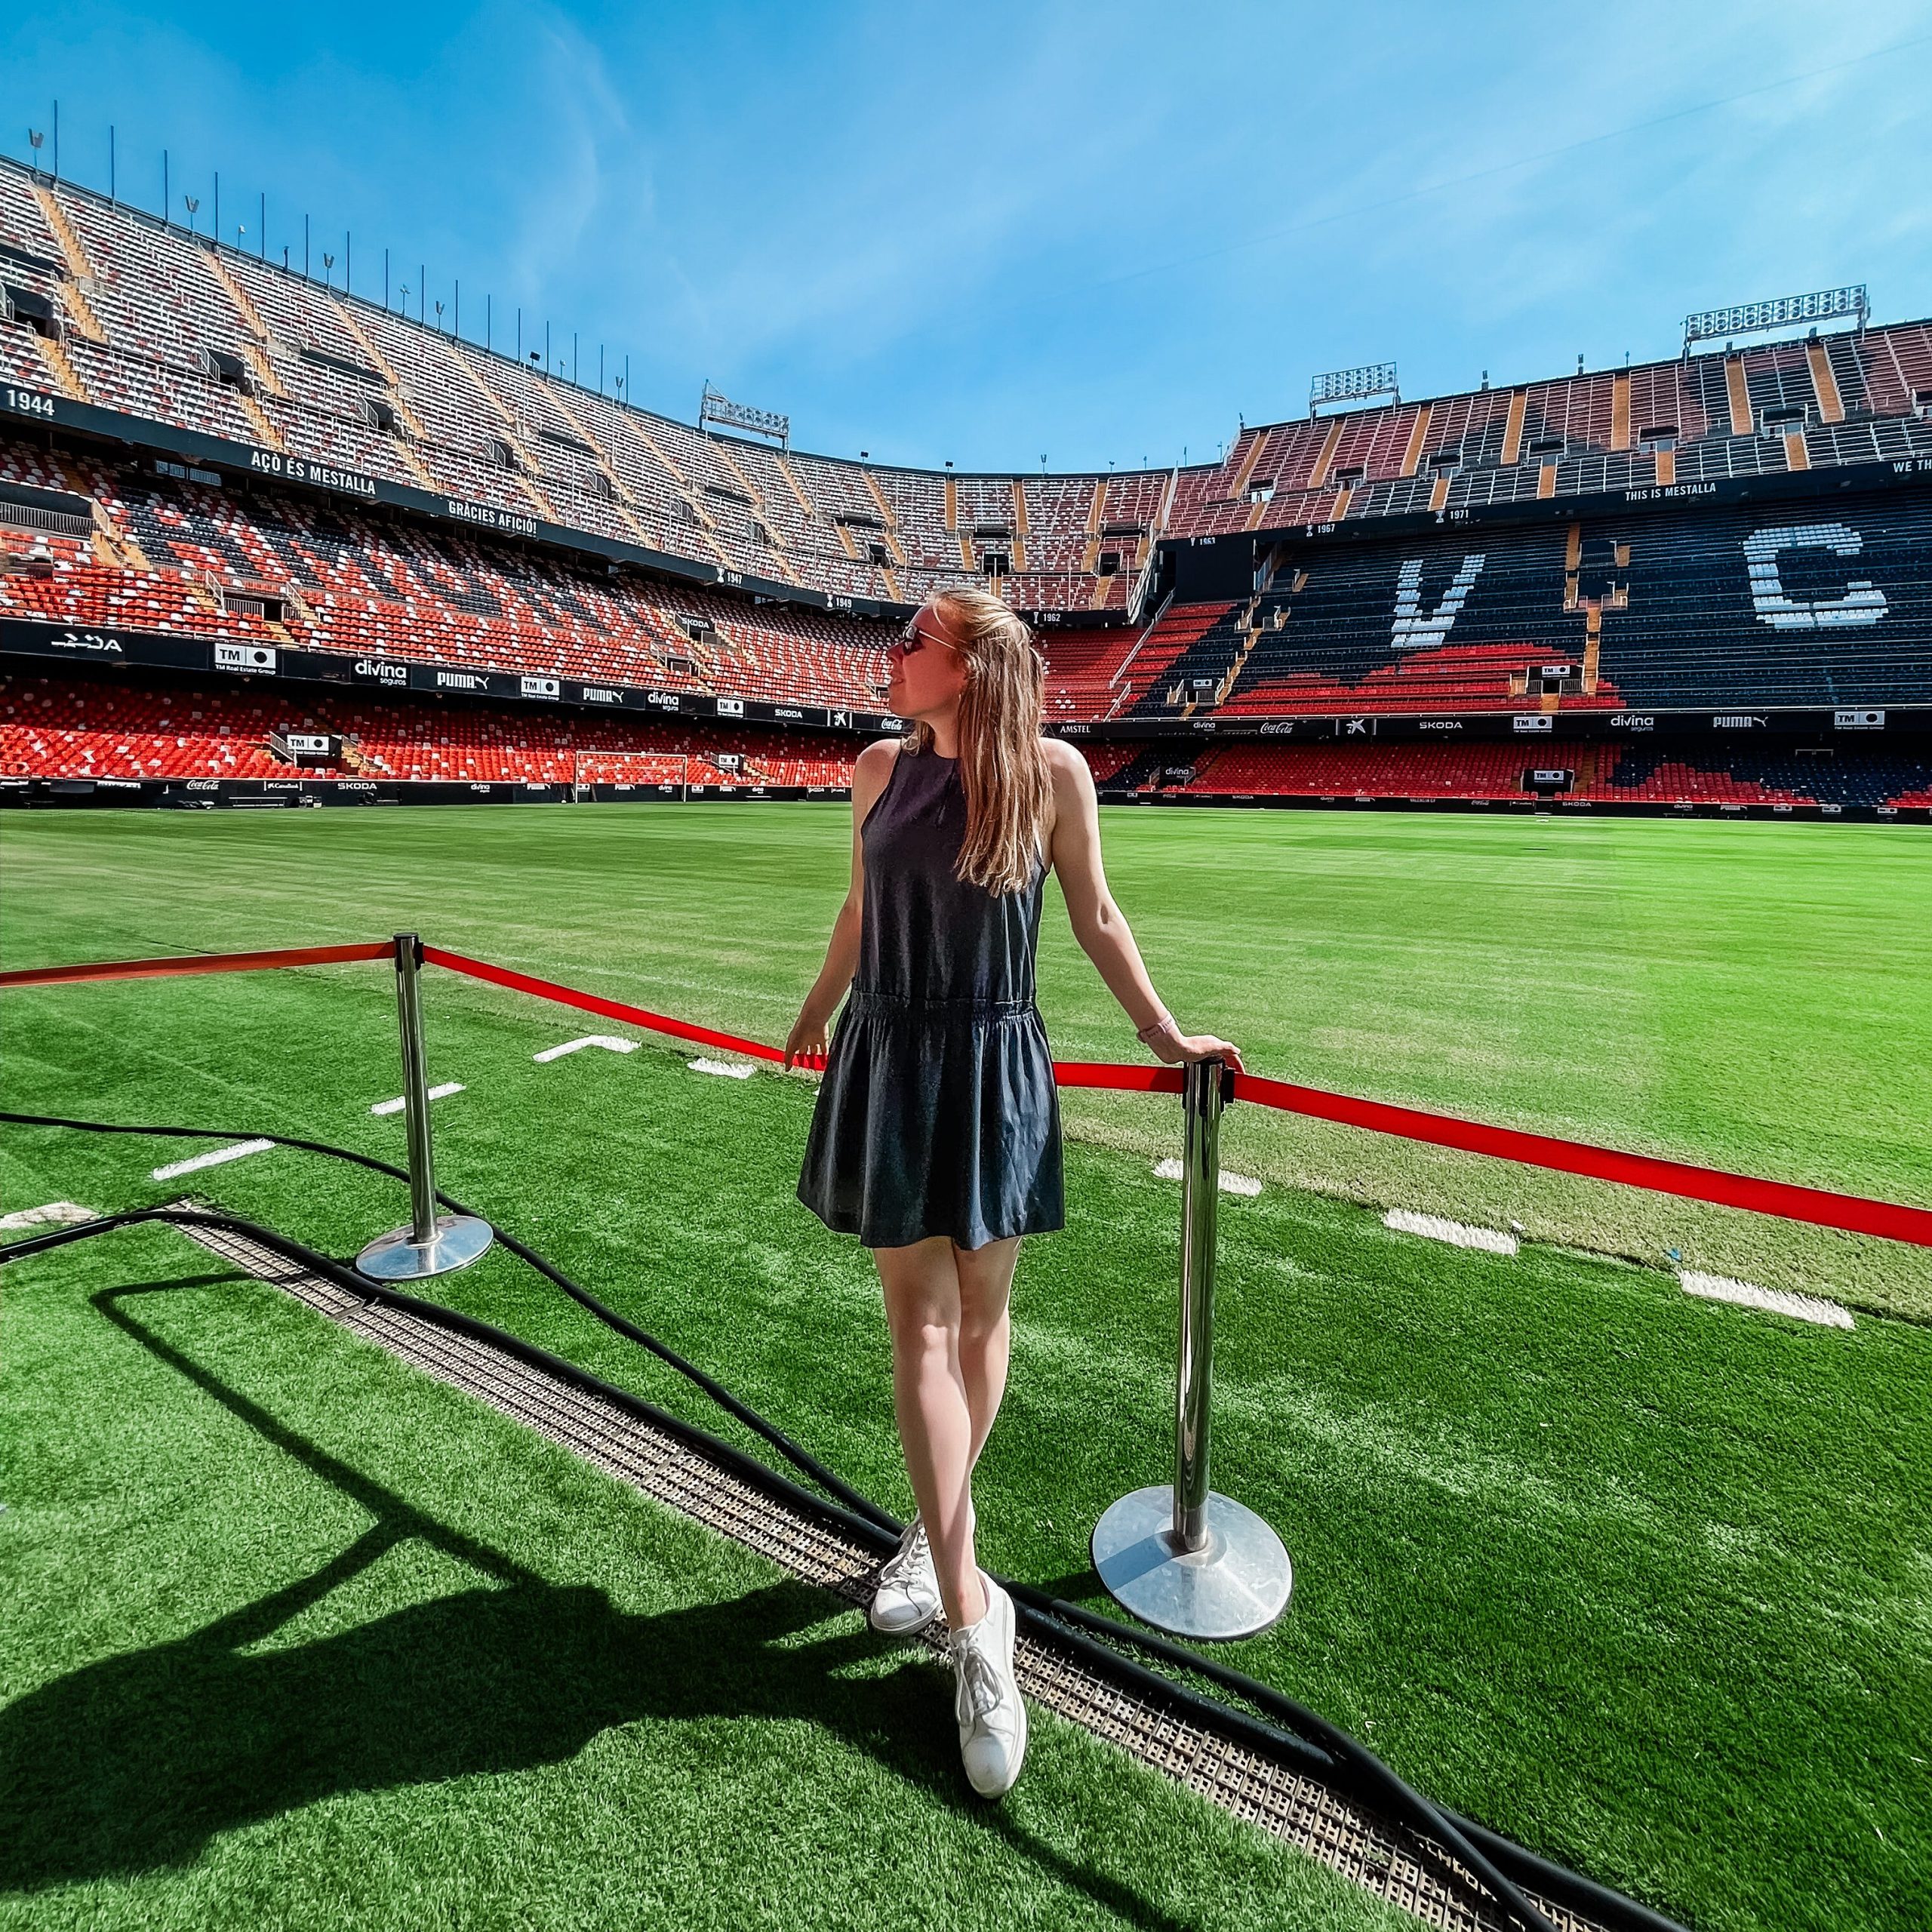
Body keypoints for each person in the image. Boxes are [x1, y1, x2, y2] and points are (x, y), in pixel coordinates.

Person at [786, 587, 1241, 1798]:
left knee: (979, 1322)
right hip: (891, 1052)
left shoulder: (1053, 775)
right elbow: (855, 905)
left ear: (972, 666)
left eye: (909, 644)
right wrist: (819, 1004)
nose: (887, 659)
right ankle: (975, 1610)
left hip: (992, 1063)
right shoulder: (877, 769)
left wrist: (1166, 1034)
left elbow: (1094, 914)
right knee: (919, 1328)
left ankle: (936, 1552)